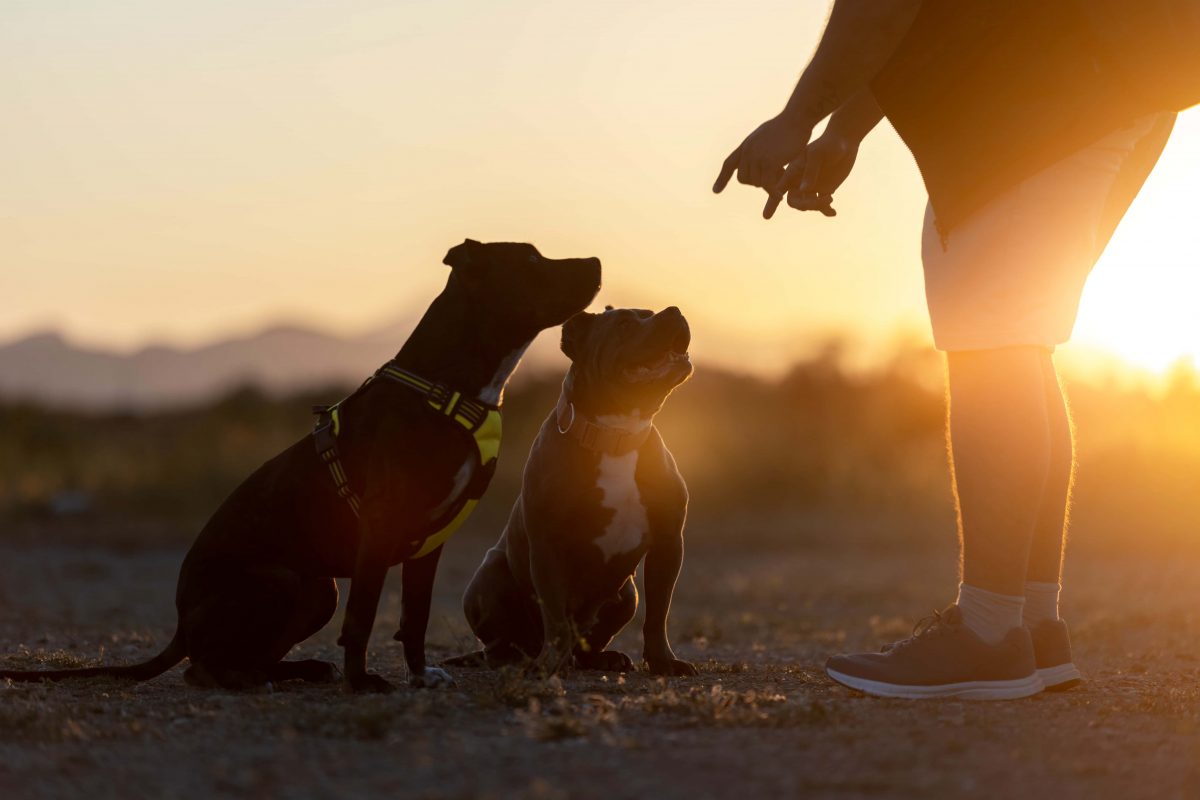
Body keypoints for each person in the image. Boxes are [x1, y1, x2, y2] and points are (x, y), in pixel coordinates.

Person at [714, 0, 1183, 699]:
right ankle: (1030, 622)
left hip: (1058, 83)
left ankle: (990, 634)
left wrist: (796, 118)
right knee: (1017, 338)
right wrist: (844, 130)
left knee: (995, 340)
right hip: (1110, 78)